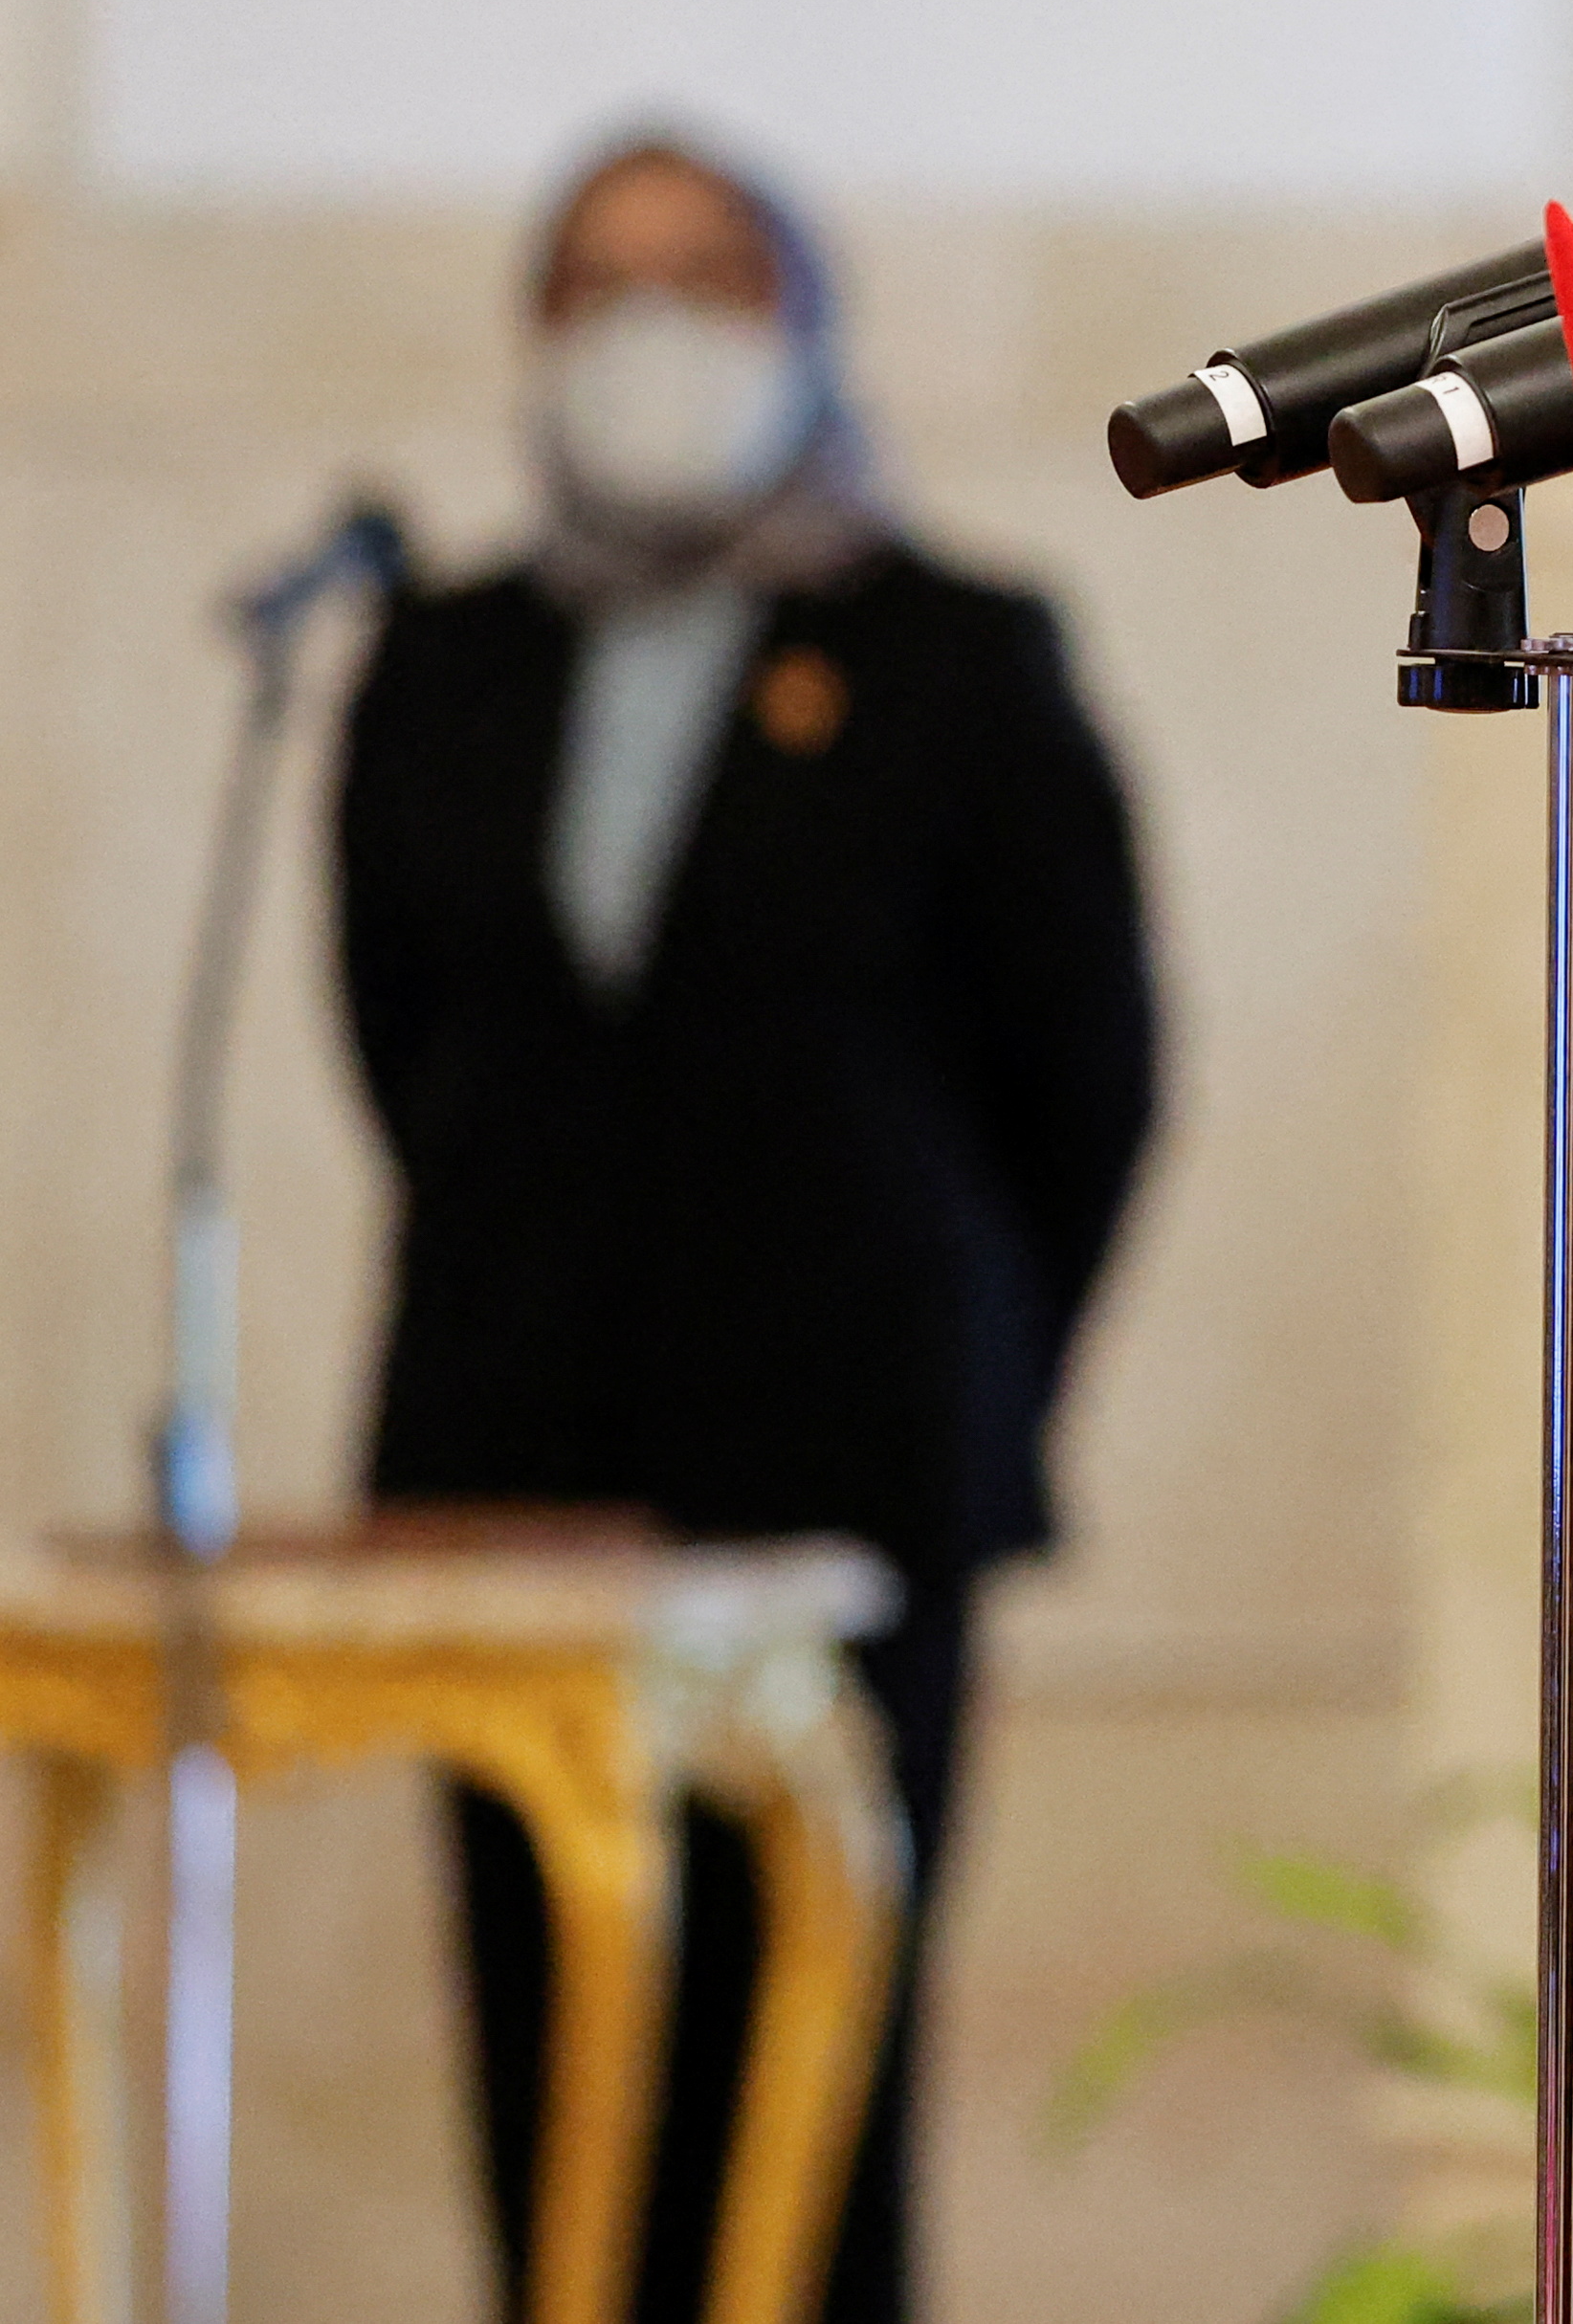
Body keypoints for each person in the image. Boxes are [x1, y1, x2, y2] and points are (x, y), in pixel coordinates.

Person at [333, 133, 1157, 2324]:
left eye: (706, 277)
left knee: (808, 2086)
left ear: (803, 317)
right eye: (599, 283)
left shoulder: (957, 654)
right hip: (507, 1463)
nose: (652, 327)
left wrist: (969, 1351)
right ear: (532, 335)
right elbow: (405, 1036)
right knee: (549, 2071)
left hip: (847, 1467)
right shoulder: (442, 655)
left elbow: (1084, 1075)